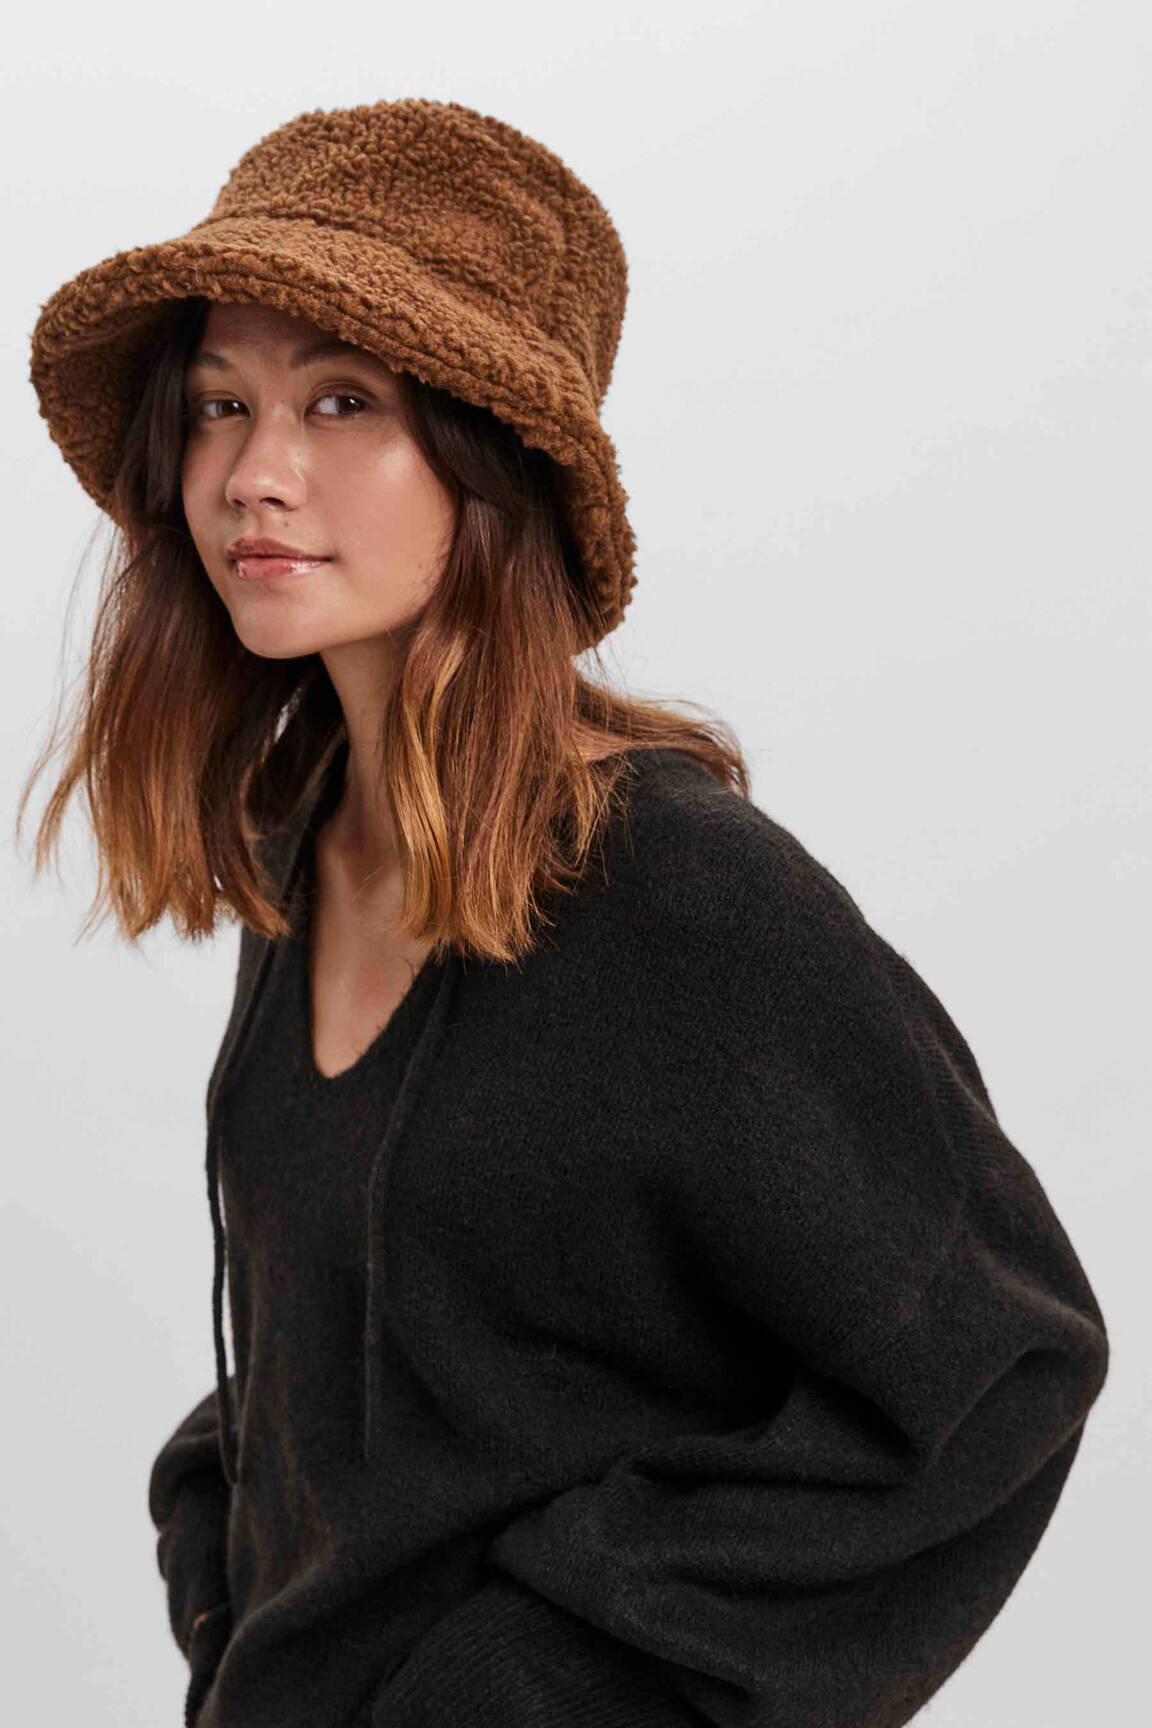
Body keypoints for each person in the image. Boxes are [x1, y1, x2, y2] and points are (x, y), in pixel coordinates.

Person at [23, 97, 1109, 1728]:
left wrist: (542, 1685)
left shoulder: (676, 892)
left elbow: (999, 1368)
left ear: (494, 458)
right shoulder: (310, 852)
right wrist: (222, 1550)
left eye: (343, 401)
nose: (253, 474)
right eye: (220, 404)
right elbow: (390, 1341)